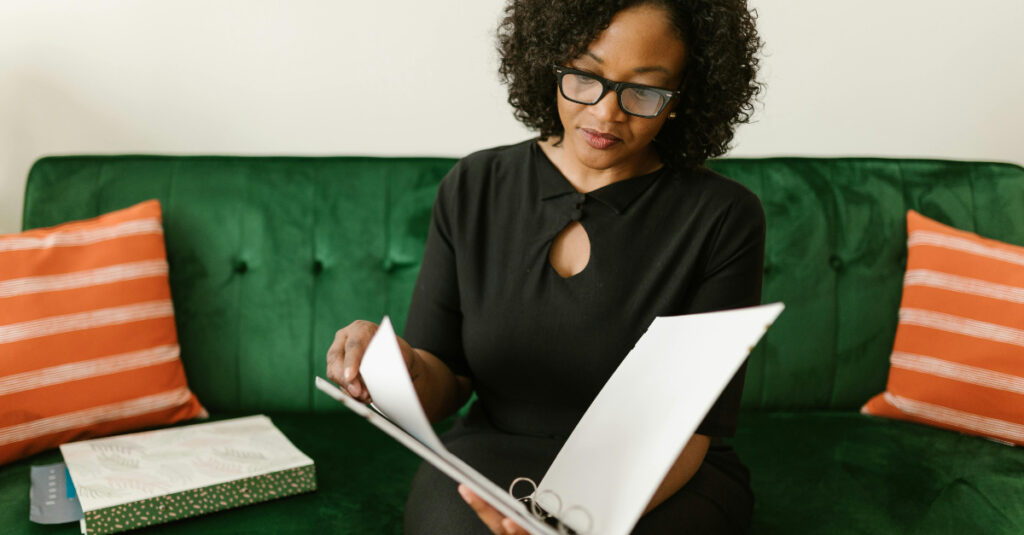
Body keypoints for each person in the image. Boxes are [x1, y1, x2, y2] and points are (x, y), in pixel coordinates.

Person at [326, 0, 765, 533]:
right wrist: (397, 368)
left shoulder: (723, 218)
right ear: (548, 62)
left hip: (653, 478)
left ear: (681, 99)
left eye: (644, 90)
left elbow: (689, 435)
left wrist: (573, 523)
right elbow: (443, 382)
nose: (606, 113)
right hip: (492, 456)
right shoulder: (475, 186)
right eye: (585, 76)